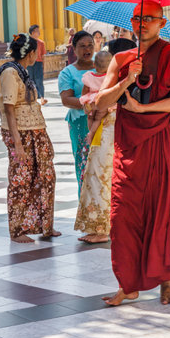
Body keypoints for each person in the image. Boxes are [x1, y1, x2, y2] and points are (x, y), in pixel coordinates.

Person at [95, 0, 170, 306]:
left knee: (164, 213)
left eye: (150, 18)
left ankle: (166, 284)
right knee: (124, 217)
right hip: (127, 148)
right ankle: (128, 285)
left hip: (161, 145)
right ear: (131, 23)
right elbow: (100, 103)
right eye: (138, 18)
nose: (143, 23)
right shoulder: (120, 59)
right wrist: (128, 80)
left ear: (162, 23)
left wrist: (144, 108)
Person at [0, 34, 61, 243]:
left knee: (45, 177)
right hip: (21, 133)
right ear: (31, 53)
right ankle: (17, 230)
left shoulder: (22, 71)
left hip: (36, 131)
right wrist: (17, 142)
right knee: (20, 180)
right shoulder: (9, 72)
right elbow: (8, 108)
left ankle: (45, 226)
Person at [74, 50, 115, 244]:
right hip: (104, 130)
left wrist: (93, 112)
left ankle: (102, 227)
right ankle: (97, 226)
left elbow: (89, 104)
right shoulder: (113, 81)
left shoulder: (106, 81)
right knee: (95, 175)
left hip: (107, 131)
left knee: (99, 176)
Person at [58, 31, 95, 196]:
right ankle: (85, 211)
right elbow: (66, 100)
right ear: (73, 48)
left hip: (103, 122)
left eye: (90, 45)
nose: (87, 49)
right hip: (80, 123)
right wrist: (88, 103)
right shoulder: (68, 73)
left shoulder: (103, 68)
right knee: (84, 165)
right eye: (82, 46)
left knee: (104, 165)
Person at [27, 24, 48, 105]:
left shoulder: (41, 43)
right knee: (30, 80)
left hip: (38, 63)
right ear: (32, 32)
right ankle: (33, 98)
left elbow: (43, 55)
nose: (39, 33)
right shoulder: (27, 42)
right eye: (37, 31)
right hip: (29, 63)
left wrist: (43, 66)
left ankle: (42, 98)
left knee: (39, 80)